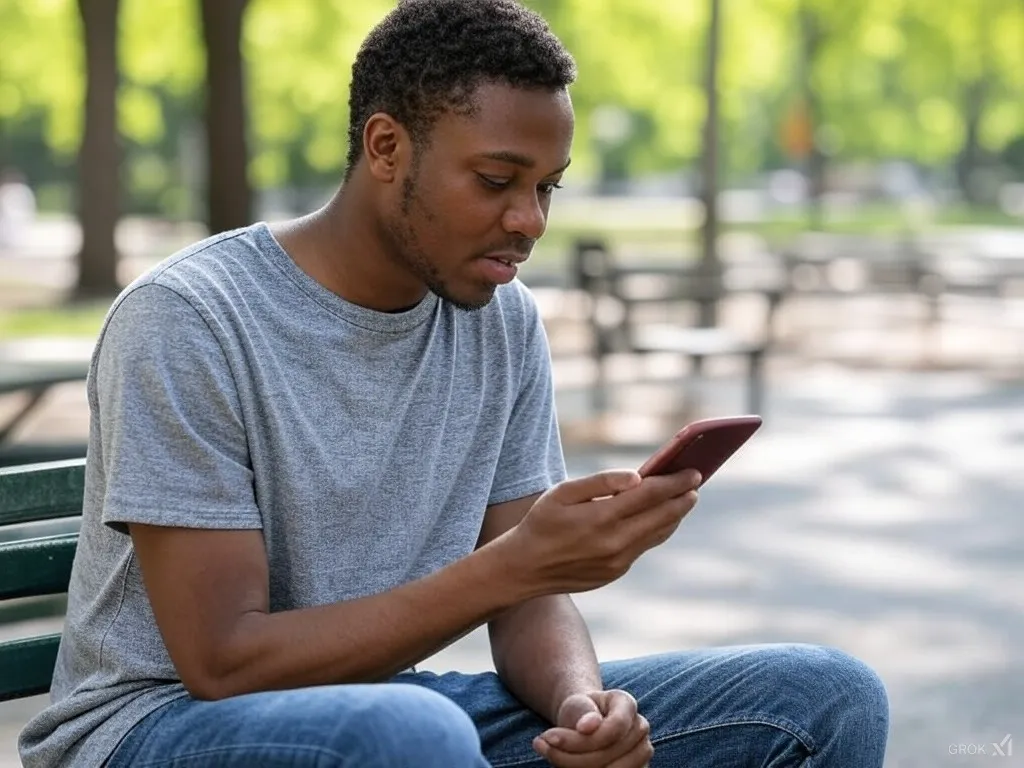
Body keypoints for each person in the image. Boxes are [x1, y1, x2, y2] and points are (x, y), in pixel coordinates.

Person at [19, 1, 889, 765]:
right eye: (497, 180)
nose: (530, 221)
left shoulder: (502, 320)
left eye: (548, 187)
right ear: (387, 146)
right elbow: (223, 664)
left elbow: (525, 597)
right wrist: (510, 568)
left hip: (383, 720)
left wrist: (580, 704)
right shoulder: (190, 319)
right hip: (156, 729)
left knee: (822, 697)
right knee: (412, 736)